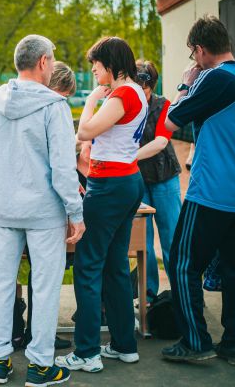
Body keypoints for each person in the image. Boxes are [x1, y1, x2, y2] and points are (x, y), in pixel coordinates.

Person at [0, 35, 84, 386]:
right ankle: (39, 365)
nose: (53, 66)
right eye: (52, 60)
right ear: (42, 62)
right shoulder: (54, 106)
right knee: (45, 286)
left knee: (2, 285)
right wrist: (76, 211)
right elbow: (63, 167)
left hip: (4, 210)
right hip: (44, 213)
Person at [161, 15, 235, 366]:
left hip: (210, 193)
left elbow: (169, 121)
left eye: (193, 55)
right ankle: (234, 344)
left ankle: (195, 341)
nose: (194, 62)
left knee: (183, 264)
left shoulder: (212, 79)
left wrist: (186, 84)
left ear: (200, 50)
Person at [56, 37, 146, 373]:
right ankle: (124, 345)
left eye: (96, 64)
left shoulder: (121, 93)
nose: (93, 70)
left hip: (109, 185)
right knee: (115, 266)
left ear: (111, 64)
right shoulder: (136, 92)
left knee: (88, 266)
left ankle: (87, 352)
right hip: (126, 182)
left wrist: (93, 98)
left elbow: (86, 132)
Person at [23, 61, 78, 352]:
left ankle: (23, 335)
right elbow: (61, 163)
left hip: (14, 203)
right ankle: (40, 341)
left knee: (27, 276)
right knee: (45, 277)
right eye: (64, 94)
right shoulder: (53, 110)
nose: (64, 100)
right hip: (44, 207)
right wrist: (73, 205)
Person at [134, 60, 182, 301]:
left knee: (172, 238)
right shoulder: (125, 106)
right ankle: (149, 296)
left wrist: (127, 157)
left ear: (151, 84)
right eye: (136, 84)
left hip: (164, 178)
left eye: (144, 85)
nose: (140, 90)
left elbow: (162, 141)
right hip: (137, 180)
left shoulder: (164, 105)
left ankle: (184, 295)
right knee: (143, 242)